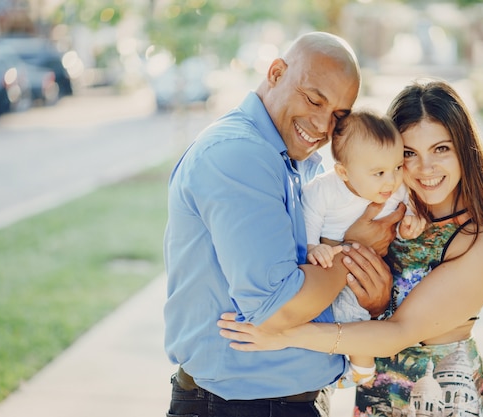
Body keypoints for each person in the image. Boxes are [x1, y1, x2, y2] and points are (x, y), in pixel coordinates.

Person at [218, 79, 483, 417]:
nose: (425, 168)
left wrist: (286, 333)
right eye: (408, 153)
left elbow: (399, 332)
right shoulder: (393, 213)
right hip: (378, 397)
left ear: (464, 150)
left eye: (441, 149)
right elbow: (342, 267)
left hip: (442, 404)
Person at [163, 31, 406, 417]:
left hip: (286, 400)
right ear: (276, 73)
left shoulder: (294, 160)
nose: (323, 126)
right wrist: (354, 250)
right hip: (240, 407)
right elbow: (277, 309)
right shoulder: (240, 155)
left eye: (339, 116)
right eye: (314, 99)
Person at [302, 109, 426, 389]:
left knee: (357, 318)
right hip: (332, 270)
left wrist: (410, 222)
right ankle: (344, 373)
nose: (391, 181)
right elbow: (309, 215)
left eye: (396, 167)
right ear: (344, 172)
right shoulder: (324, 191)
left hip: (368, 271)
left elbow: (409, 205)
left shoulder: (395, 188)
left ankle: (361, 372)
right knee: (332, 318)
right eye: (379, 173)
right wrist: (314, 246)